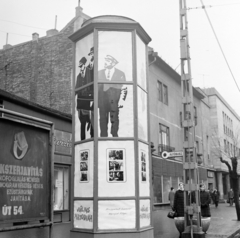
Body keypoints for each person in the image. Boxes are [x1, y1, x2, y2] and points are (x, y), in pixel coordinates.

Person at [98, 55, 127, 137]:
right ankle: (103, 136)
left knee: (114, 119)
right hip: (102, 101)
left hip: (114, 100)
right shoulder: (99, 73)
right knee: (103, 119)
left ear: (113, 63)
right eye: (105, 60)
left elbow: (124, 88)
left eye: (108, 61)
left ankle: (114, 135)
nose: (105, 62)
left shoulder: (120, 73)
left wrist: (122, 101)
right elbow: (96, 88)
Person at [75, 57, 93, 140]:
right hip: (81, 100)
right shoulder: (79, 76)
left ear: (84, 64)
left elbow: (92, 84)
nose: (79, 65)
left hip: (89, 99)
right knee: (82, 121)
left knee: (91, 118)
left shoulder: (89, 72)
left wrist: (92, 96)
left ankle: (92, 136)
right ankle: (82, 139)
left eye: (80, 63)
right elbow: (76, 88)